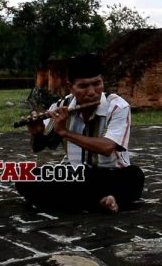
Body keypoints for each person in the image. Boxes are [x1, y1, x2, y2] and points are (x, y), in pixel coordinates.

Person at [15, 53, 144, 213]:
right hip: (77, 175)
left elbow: (107, 147)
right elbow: (38, 148)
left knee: (134, 176)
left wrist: (65, 132)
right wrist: (37, 133)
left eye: (97, 84)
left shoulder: (117, 106)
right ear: (71, 87)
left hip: (111, 175)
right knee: (25, 176)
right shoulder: (62, 105)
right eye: (83, 86)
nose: (92, 92)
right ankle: (102, 201)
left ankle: (72, 202)